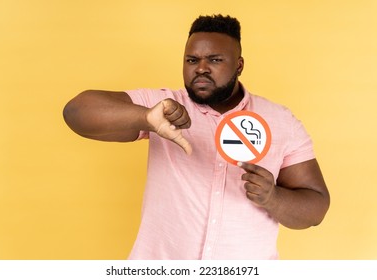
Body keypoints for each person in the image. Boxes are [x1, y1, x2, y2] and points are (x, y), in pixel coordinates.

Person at [63, 14, 330, 260]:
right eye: (192, 60)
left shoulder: (281, 121)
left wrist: (273, 198)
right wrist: (145, 118)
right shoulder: (163, 106)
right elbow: (76, 111)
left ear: (239, 65)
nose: (200, 68)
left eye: (214, 60)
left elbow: (316, 207)